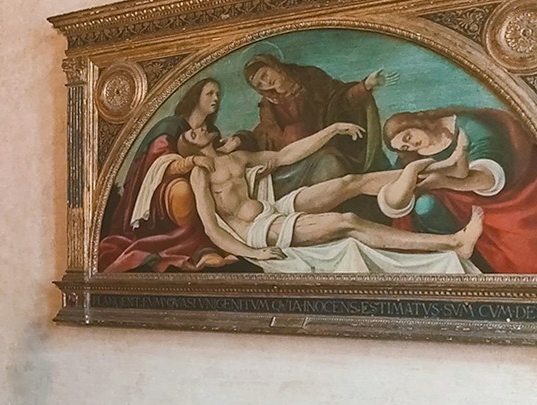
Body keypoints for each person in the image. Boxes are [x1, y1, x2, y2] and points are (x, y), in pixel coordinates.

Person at [186, 121, 483, 265]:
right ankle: (453, 243)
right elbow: (212, 227)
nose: (196, 129)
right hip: (259, 230)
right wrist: (253, 253)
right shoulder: (201, 175)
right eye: (190, 133)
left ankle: (445, 172)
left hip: (273, 208)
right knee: (348, 221)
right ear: (191, 145)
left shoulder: (237, 158)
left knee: (352, 181)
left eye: (198, 127)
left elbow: (287, 155)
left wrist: (333, 129)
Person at [98, 78, 237, 272]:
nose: (216, 98)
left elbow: (217, 158)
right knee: (183, 191)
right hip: (159, 192)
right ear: (196, 97)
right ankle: (195, 249)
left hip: (203, 186)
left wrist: (238, 142)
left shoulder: (211, 131)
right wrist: (192, 161)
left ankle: (210, 247)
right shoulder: (170, 127)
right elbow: (158, 166)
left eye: (218, 94)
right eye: (210, 93)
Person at [383, 107, 537, 274]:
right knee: (425, 206)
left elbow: (489, 177)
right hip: (450, 214)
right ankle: (462, 261)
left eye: (408, 137)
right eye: (405, 147)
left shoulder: (468, 126)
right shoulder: (413, 157)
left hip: (494, 203)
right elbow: (395, 184)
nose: (411, 145)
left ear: (416, 123)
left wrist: (445, 182)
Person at [241, 53, 393, 195]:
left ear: (273, 65)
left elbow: (339, 101)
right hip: (291, 161)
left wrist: (365, 86)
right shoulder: (268, 105)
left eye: (264, 74)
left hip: (322, 148)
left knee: (330, 166)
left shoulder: (310, 79)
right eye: (260, 84)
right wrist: (240, 139)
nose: (266, 82)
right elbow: (262, 133)